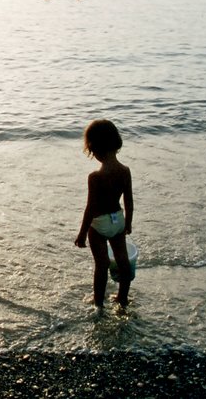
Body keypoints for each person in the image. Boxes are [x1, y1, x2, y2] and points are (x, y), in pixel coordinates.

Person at [74, 119, 133, 310]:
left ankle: (98, 303)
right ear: (116, 143)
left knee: (102, 264)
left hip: (99, 224)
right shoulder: (125, 171)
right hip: (118, 221)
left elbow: (90, 208)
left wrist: (82, 233)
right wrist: (128, 224)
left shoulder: (95, 177)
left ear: (95, 149)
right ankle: (122, 299)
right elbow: (129, 202)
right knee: (123, 261)